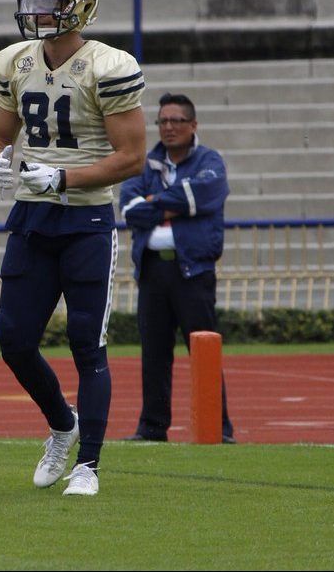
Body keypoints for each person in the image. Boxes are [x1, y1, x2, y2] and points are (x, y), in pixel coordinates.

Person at [0, 0, 146, 496]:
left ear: (81, 6)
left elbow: (132, 157)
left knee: (86, 343)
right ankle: (62, 424)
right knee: (12, 338)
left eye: (52, 1)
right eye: (32, 0)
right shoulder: (13, 61)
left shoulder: (109, 65)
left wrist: (65, 178)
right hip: (32, 216)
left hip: (87, 219)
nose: (39, 12)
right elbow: (0, 134)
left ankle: (89, 465)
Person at [120, 92, 234, 444]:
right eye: (163, 121)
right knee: (153, 352)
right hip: (153, 271)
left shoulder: (209, 162)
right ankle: (152, 428)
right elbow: (129, 209)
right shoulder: (144, 162)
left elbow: (207, 194)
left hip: (193, 272)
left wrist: (155, 202)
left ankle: (219, 429)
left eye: (176, 121)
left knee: (203, 349)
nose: (168, 128)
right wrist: (179, 204)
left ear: (193, 125)